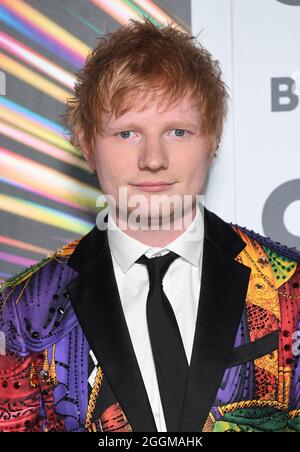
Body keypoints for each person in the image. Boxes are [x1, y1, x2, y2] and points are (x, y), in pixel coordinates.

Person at [0, 17, 299, 433]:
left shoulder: (293, 288)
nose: (153, 159)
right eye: (126, 134)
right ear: (87, 144)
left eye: (178, 131)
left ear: (212, 140)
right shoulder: (19, 310)